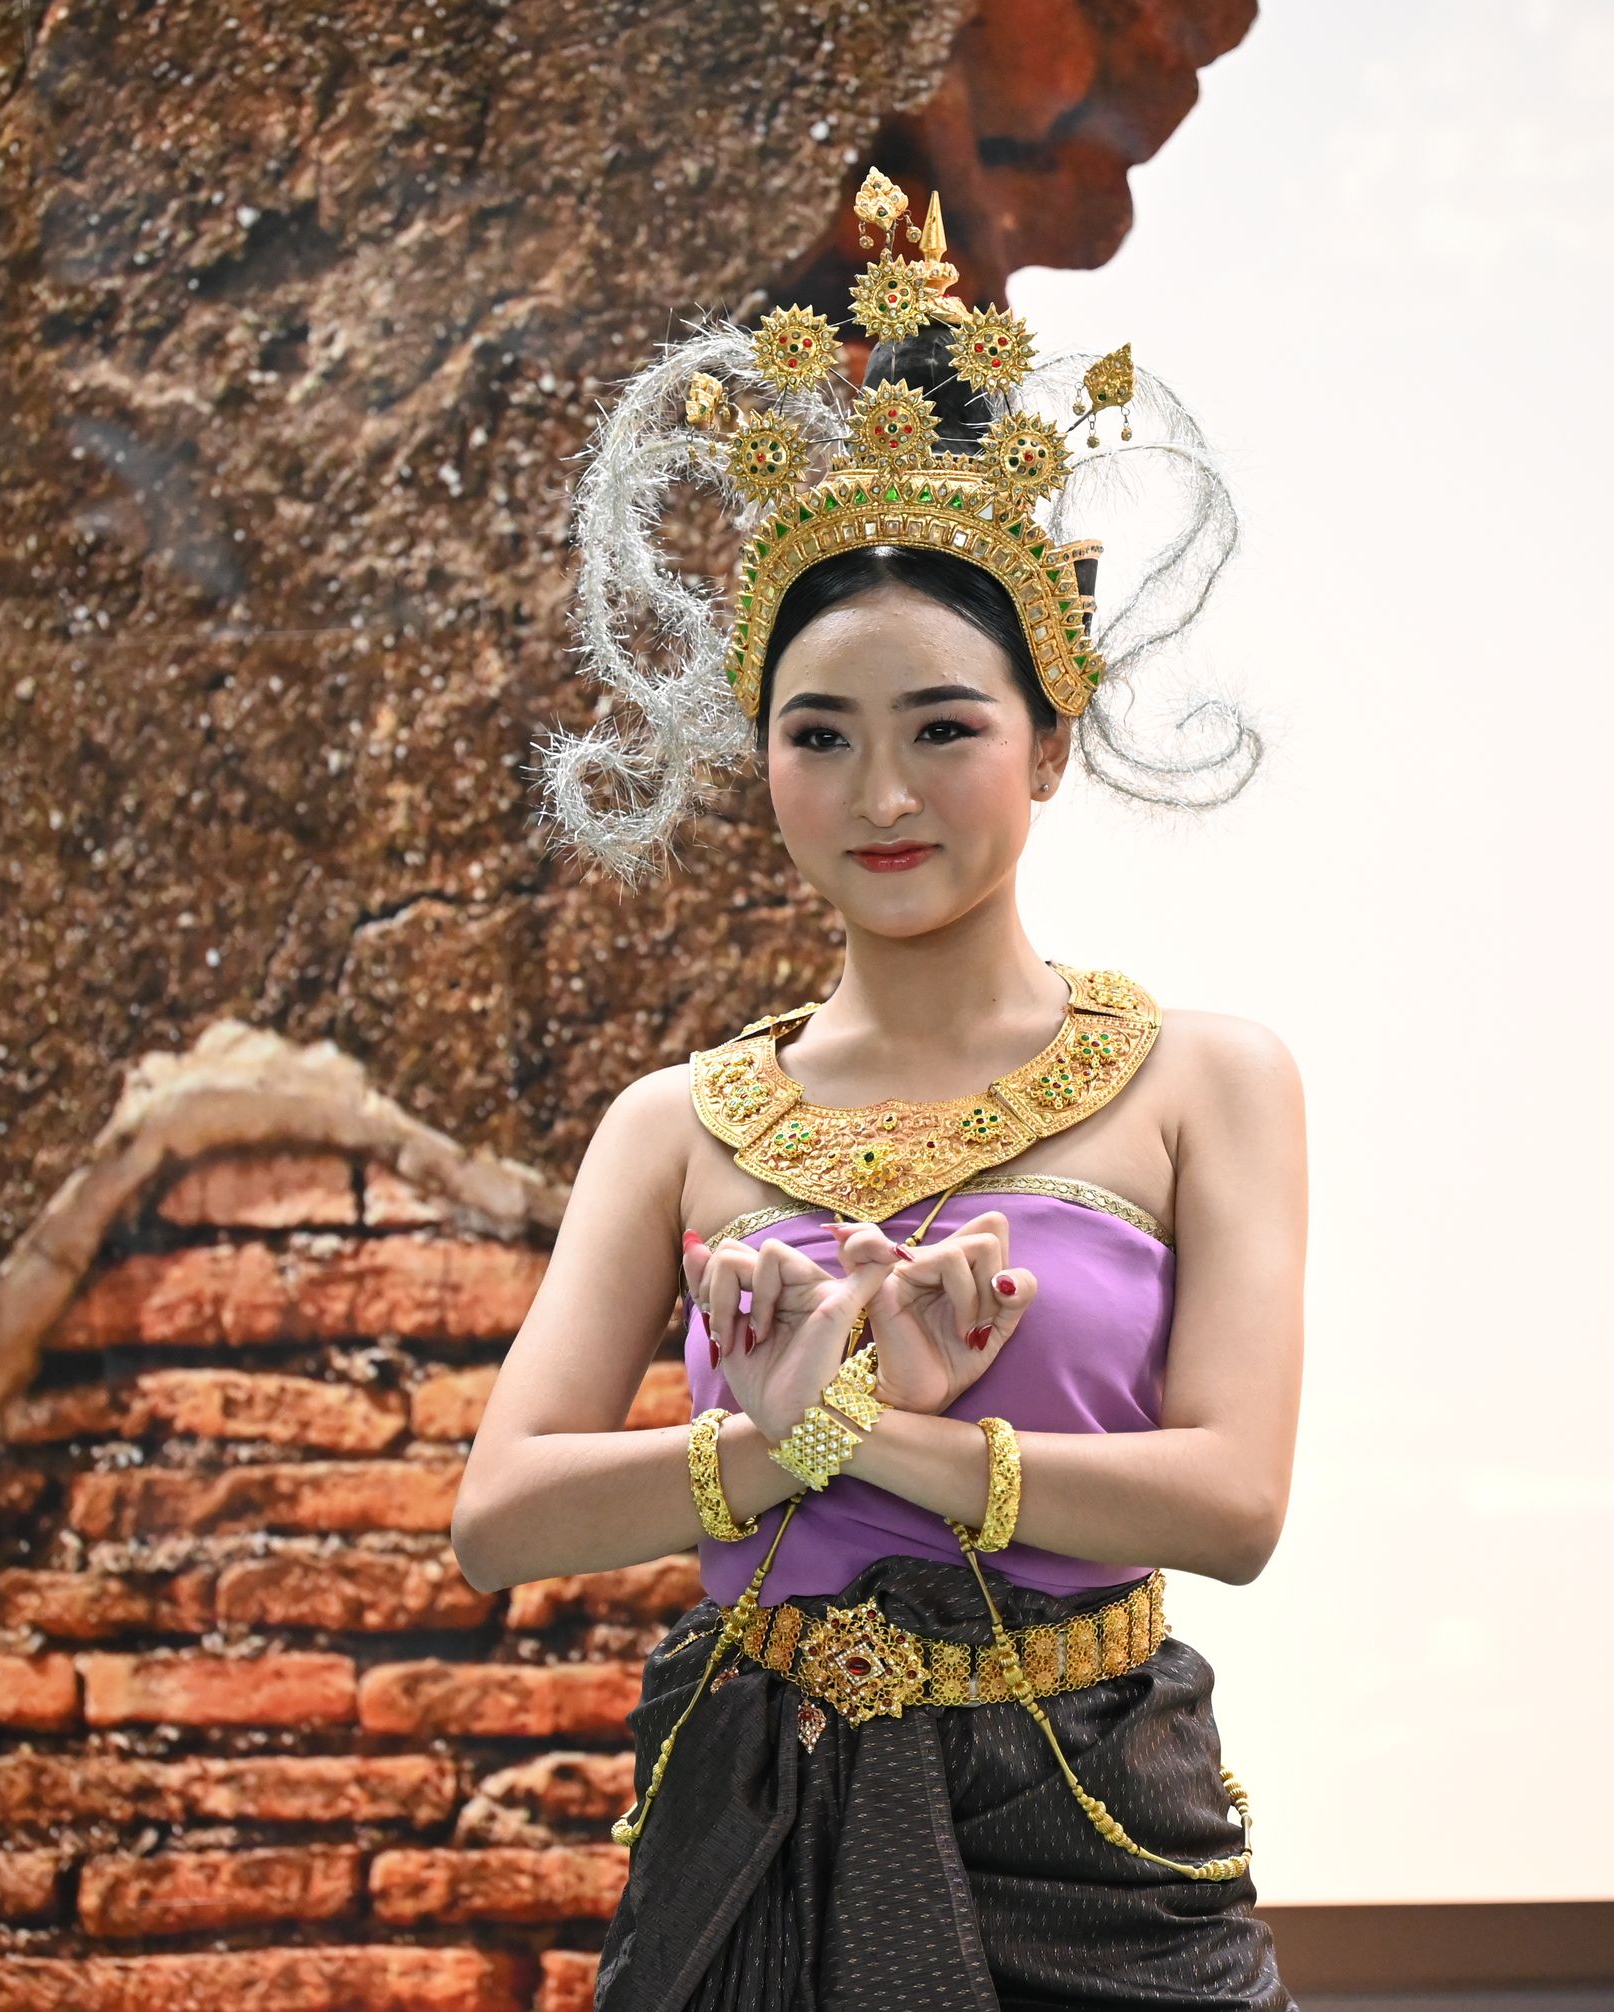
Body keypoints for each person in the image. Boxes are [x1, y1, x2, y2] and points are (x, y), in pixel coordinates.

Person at [453, 171, 1305, 2011]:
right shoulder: (674, 1124)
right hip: (759, 1809)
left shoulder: (1205, 1082)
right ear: (759, 758)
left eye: (945, 729)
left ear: (1052, 743)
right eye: (821, 736)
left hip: (1091, 1823)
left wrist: (863, 1432)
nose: (883, 795)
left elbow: (1233, 1503)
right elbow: (500, 1516)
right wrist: (777, 1444)